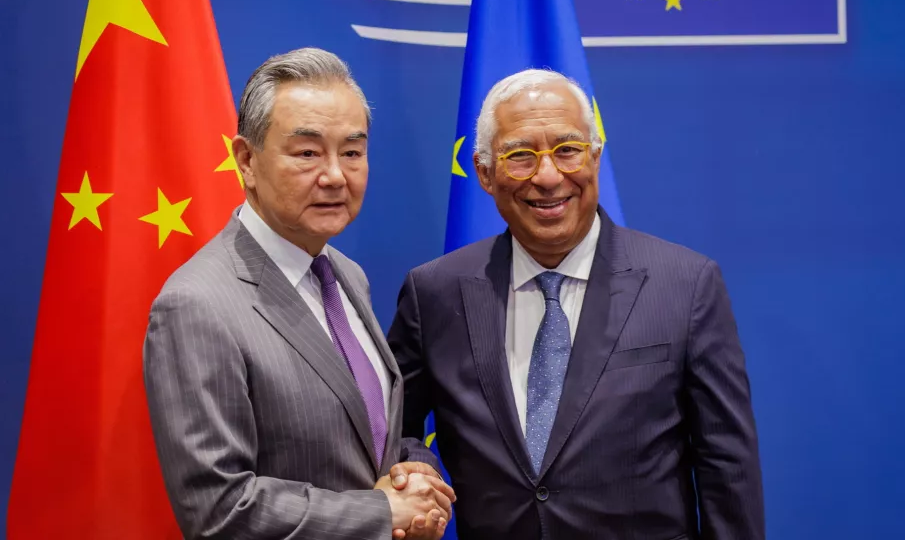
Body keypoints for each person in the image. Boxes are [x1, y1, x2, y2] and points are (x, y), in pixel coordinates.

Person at [388, 68, 765, 539]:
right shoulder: (434, 292)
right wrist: (418, 465)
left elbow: (727, 465)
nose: (548, 176)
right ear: (484, 173)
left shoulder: (686, 285)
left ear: (595, 157)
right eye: (520, 156)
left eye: (567, 150)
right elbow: (388, 427)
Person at [143, 47, 454, 540]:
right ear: (246, 160)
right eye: (307, 153)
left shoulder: (345, 273)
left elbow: (367, 434)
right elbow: (218, 510)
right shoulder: (197, 304)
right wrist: (380, 513)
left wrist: (412, 471)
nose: (335, 175)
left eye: (352, 152)